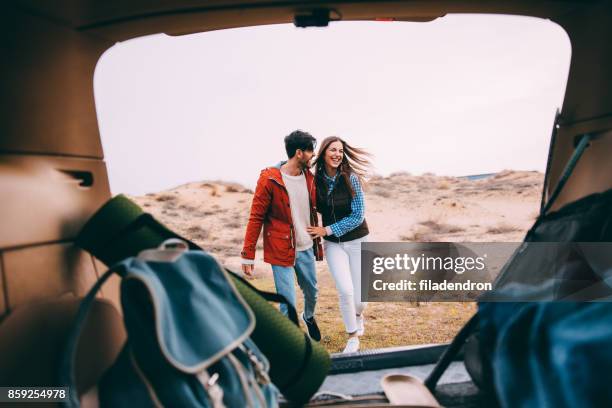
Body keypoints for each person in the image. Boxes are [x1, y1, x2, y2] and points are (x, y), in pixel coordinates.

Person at [241, 130, 323, 341]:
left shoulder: (310, 179)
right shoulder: (269, 179)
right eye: (310, 151)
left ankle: (309, 316)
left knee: (312, 292)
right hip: (281, 249)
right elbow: (256, 217)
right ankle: (291, 343)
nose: (313, 155)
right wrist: (247, 254)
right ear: (299, 153)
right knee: (287, 301)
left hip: (306, 247)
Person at [307, 136, 372, 353]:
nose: (337, 154)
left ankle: (358, 315)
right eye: (332, 150)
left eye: (340, 151)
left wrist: (326, 229)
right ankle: (352, 337)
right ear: (324, 153)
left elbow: (358, 215)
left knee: (361, 298)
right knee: (345, 291)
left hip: (358, 240)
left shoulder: (351, 178)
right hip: (334, 245)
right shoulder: (315, 181)